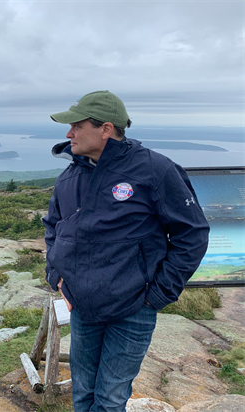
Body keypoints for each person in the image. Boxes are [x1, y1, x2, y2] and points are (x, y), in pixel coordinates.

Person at [42, 90, 209, 412]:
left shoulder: (155, 170)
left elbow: (193, 234)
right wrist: (57, 274)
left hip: (133, 308)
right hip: (83, 307)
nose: (68, 133)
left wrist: (157, 295)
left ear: (106, 129)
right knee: (83, 394)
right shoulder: (70, 176)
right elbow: (53, 227)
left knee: (110, 399)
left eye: (76, 126)